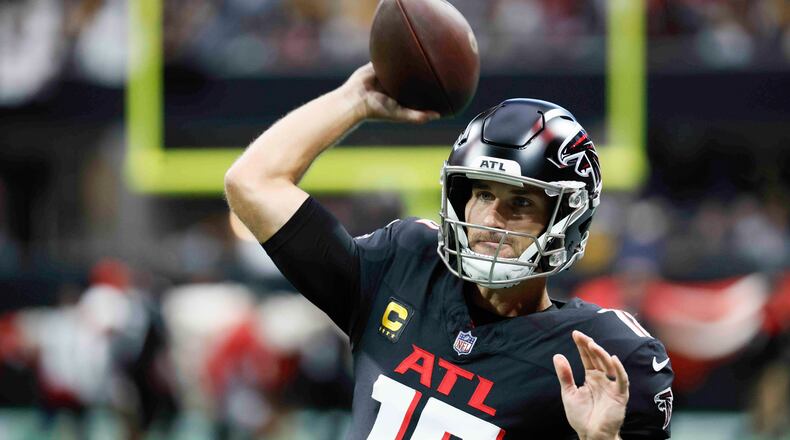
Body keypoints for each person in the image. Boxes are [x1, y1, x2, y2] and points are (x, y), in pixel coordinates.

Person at [224, 63, 674, 439]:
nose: (491, 219)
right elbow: (252, 183)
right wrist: (353, 100)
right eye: (482, 194)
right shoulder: (406, 267)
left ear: (567, 221)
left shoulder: (600, 355)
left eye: (520, 202)